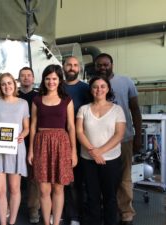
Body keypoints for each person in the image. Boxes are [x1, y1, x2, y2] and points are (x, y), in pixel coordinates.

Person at [94, 53, 142, 225]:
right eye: (99, 65)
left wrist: (138, 136)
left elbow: (135, 109)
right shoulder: (92, 85)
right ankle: (106, 209)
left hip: (124, 139)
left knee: (124, 178)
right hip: (100, 142)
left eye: (106, 64)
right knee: (102, 178)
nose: (103, 68)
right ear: (94, 66)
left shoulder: (126, 82)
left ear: (112, 64)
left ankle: (126, 212)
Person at [28, 64, 77, 225]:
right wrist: (31, 151)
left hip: (61, 144)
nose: (51, 82)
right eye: (48, 78)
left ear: (60, 80)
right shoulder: (36, 100)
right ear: (43, 80)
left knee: (58, 187)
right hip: (41, 144)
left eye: (54, 78)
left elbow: (71, 126)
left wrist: (74, 151)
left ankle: (56, 222)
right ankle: (46, 222)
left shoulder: (66, 100)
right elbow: (33, 126)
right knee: (43, 189)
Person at [76, 76, 126, 225]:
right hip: (88, 160)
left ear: (108, 88)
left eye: (102, 86)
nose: (99, 89)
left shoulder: (117, 109)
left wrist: (100, 151)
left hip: (111, 160)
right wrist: (93, 151)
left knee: (110, 197)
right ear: (91, 90)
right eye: (95, 87)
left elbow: (119, 134)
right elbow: (79, 132)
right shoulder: (83, 109)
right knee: (92, 197)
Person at [0, 73, 30, 225]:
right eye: (3, 84)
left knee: (15, 188)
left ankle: (12, 221)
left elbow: (26, 128)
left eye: (9, 83)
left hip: (16, 148)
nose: (7, 86)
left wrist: (22, 135)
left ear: (14, 84)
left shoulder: (23, 103)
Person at [63, 56, 90, 225]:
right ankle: (64, 212)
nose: (72, 68)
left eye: (75, 65)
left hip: (81, 140)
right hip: (59, 139)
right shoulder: (57, 87)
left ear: (79, 68)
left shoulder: (86, 89)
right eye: (69, 65)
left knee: (78, 181)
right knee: (62, 180)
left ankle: (77, 215)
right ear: (63, 67)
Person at [18, 67, 40, 224]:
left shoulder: (39, 96)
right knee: (14, 177)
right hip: (15, 142)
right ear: (19, 79)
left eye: (28, 75)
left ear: (33, 78)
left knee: (34, 177)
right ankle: (13, 207)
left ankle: (33, 209)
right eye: (23, 76)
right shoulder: (13, 94)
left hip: (35, 141)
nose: (26, 78)